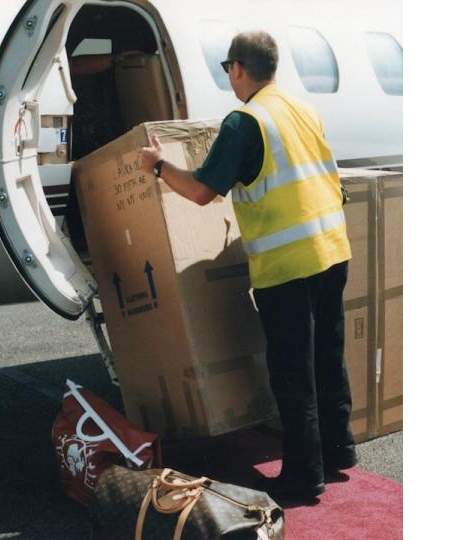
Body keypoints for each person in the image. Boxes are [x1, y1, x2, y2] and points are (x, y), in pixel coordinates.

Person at [137, 30, 356, 502]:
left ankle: (303, 477)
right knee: (327, 357)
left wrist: (157, 165)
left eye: (226, 69)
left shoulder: (245, 121)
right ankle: (340, 451)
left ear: (238, 68)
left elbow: (200, 191)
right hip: (333, 250)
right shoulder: (302, 109)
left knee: (292, 372)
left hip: (288, 265)